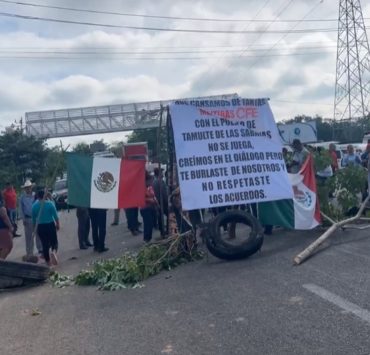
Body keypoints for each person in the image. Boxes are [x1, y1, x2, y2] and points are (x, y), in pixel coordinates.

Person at [32, 190, 60, 266]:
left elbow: (33, 220)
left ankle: (48, 262)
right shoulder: (50, 204)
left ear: (37, 197)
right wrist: (58, 224)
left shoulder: (34, 206)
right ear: (45, 196)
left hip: (40, 227)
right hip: (50, 225)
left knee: (45, 244)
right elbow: (56, 216)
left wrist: (34, 229)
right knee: (54, 242)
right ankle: (53, 252)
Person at [20, 180, 42, 257]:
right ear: (25, 189)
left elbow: (39, 205)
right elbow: (21, 208)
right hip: (27, 218)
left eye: (29, 187)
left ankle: (40, 249)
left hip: (35, 218)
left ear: (31, 188)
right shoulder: (22, 197)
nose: (28, 189)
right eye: (26, 188)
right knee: (28, 236)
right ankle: (29, 251)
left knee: (38, 234)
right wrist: (23, 219)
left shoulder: (35, 195)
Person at [140, 172, 158, 243]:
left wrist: (155, 200)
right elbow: (141, 198)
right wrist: (150, 200)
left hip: (152, 207)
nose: (151, 182)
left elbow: (153, 195)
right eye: (150, 181)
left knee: (151, 223)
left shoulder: (150, 187)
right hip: (145, 208)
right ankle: (146, 239)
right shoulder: (142, 188)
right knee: (148, 224)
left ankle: (149, 238)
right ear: (146, 181)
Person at [152, 167, 168, 236]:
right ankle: (165, 230)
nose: (163, 173)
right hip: (162, 202)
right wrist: (167, 201)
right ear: (159, 173)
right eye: (161, 172)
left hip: (158, 202)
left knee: (160, 217)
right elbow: (164, 193)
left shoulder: (155, 181)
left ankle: (163, 231)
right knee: (168, 215)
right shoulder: (159, 181)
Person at [0, 195, 13, 259]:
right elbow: (4, 216)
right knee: (7, 246)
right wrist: (10, 227)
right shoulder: (1, 206)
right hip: (2, 229)